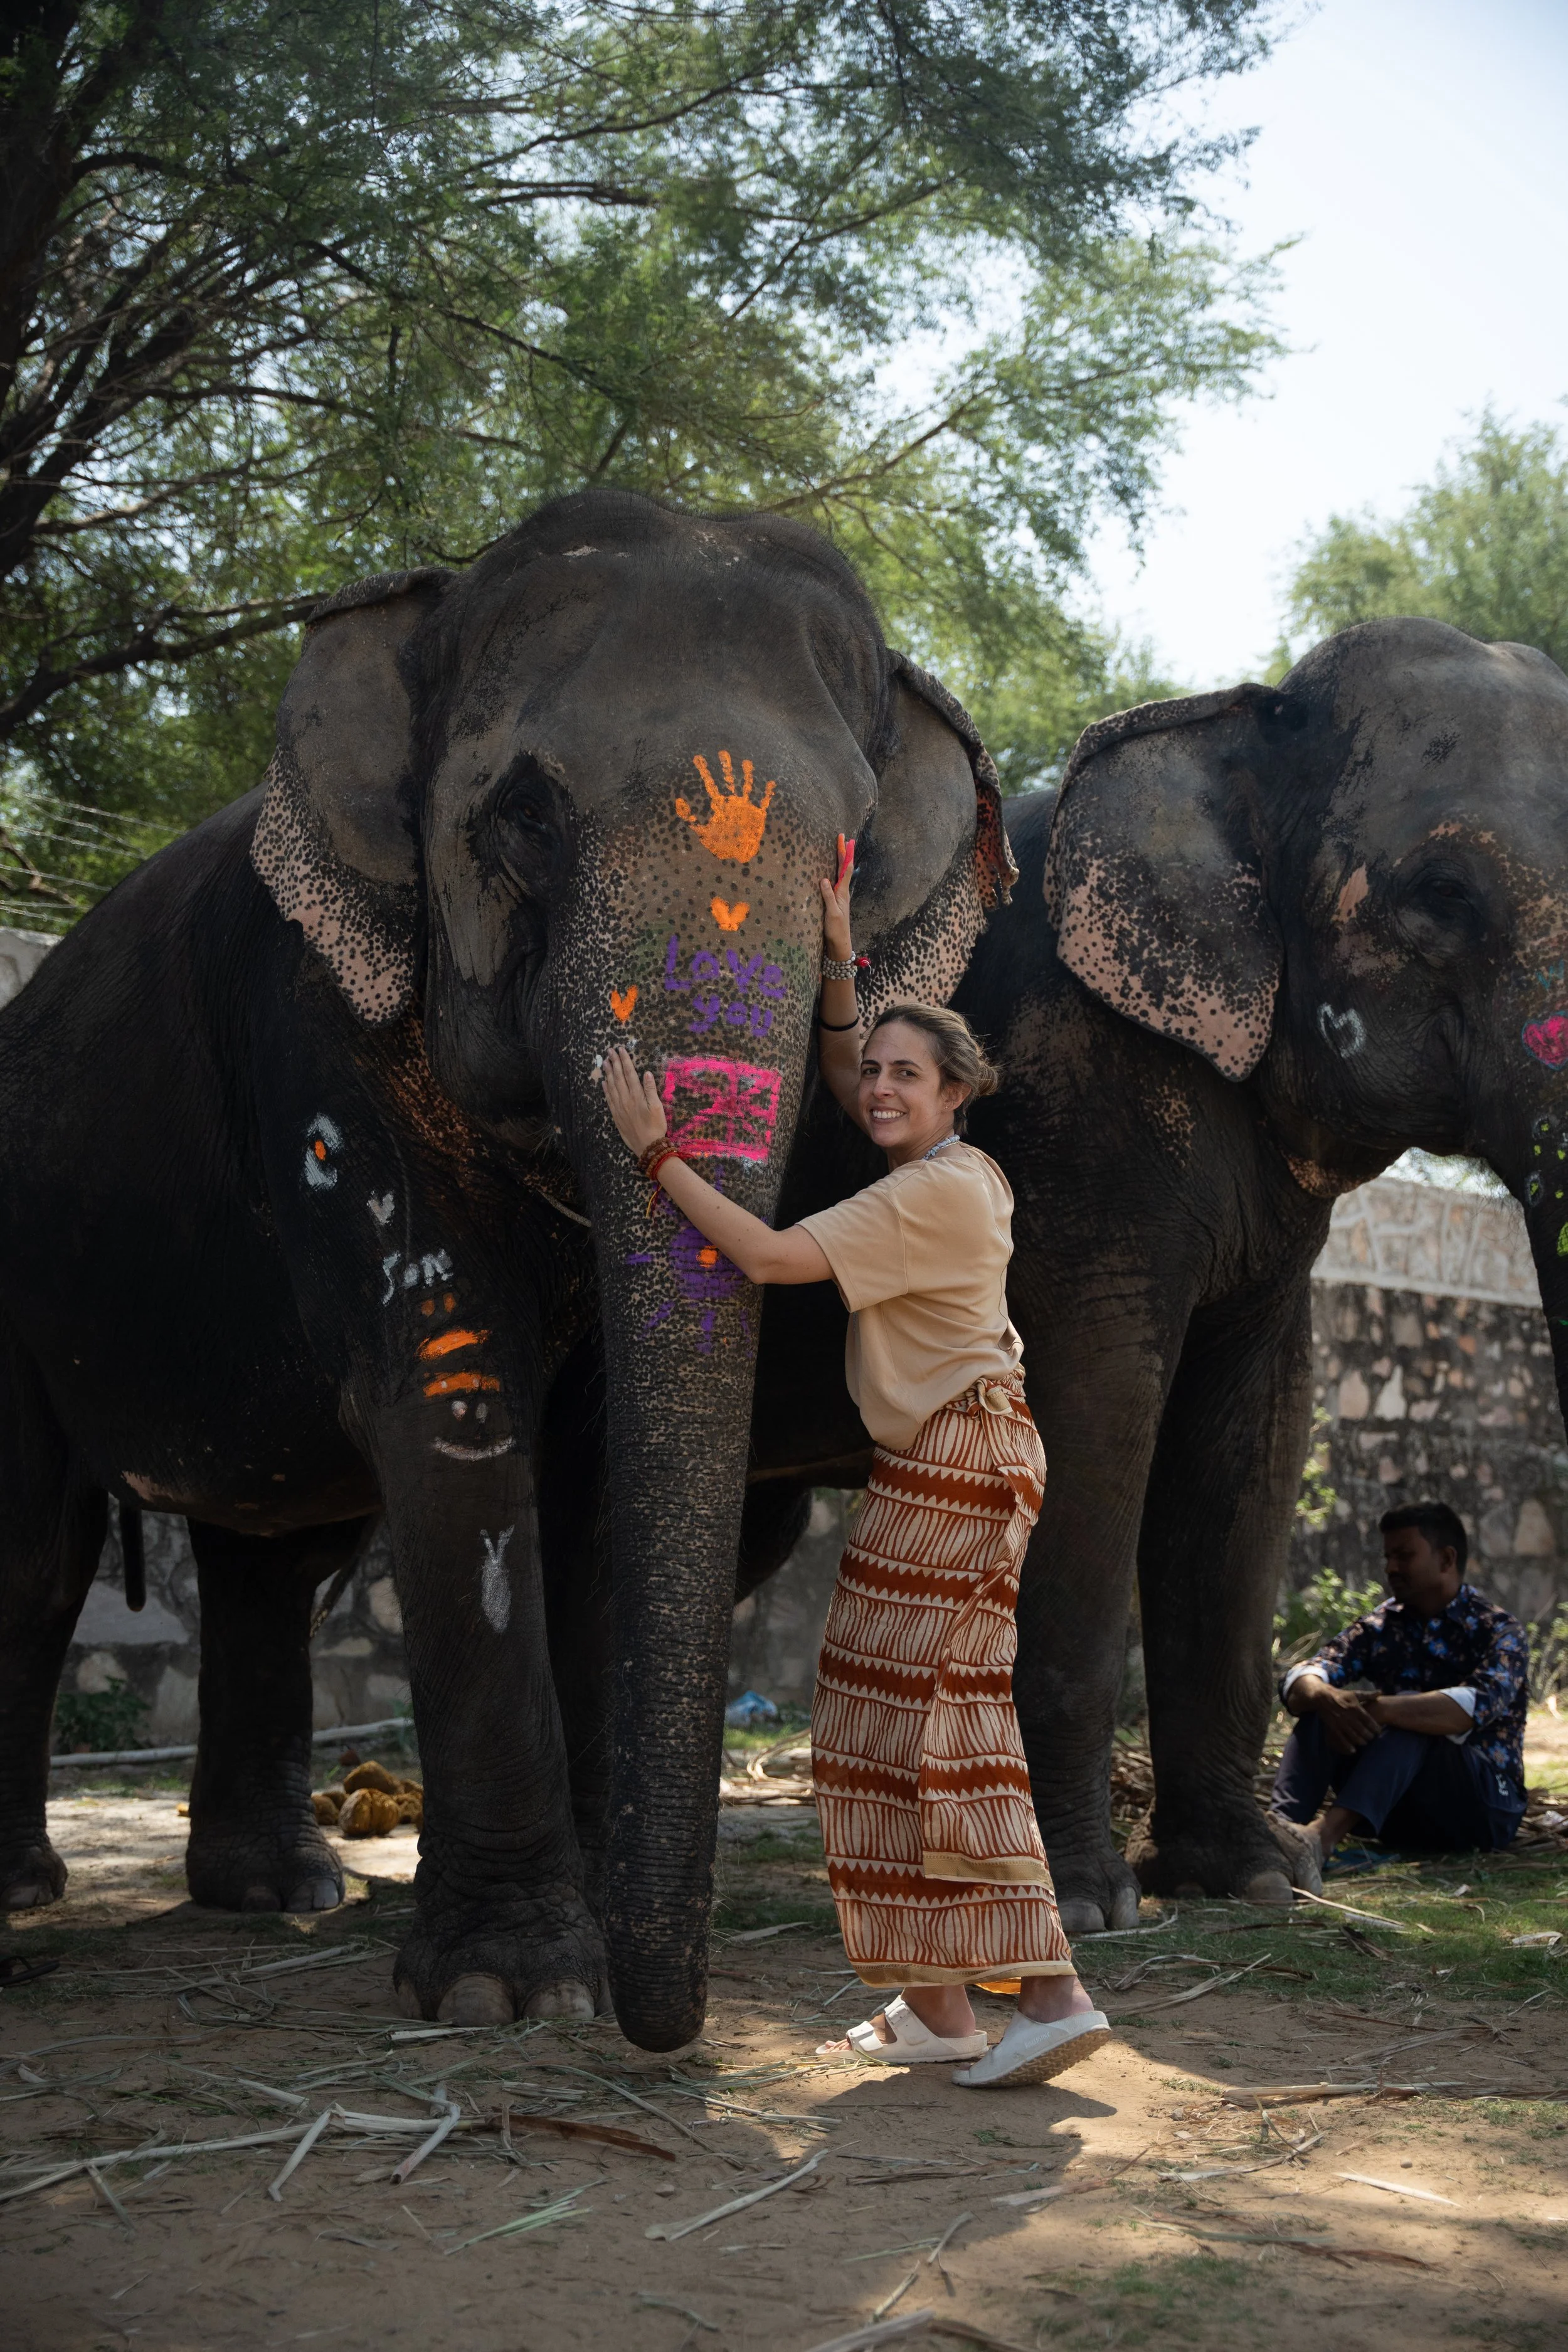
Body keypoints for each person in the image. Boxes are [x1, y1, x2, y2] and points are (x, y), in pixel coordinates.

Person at [599, 837, 1110, 2088]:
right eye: (875, 1071)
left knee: (944, 1728)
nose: (876, 1088)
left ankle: (1048, 1993)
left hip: (960, 1456)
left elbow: (769, 1260)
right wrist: (839, 962)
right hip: (947, 1457)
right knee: (872, 1724)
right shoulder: (940, 1168)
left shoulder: (927, 1197)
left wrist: (653, 1153)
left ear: (955, 1094)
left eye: (905, 1076)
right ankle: (936, 2011)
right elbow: (837, 1068)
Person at [1272, 1502, 1529, 1872]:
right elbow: (1304, 1676)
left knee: (1411, 1714)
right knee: (1324, 1709)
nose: (1391, 1567)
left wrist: (1378, 1710)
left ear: (1446, 1559)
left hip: (1481, 1810)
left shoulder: (1500, 1631)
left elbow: (1467, 1710)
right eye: (1389, 1556)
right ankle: (1279, 1831)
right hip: (1397, 1809)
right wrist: (1326, 1697)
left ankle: (1321, 1839)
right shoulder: (1380, 1625)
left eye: (1404, 1555)